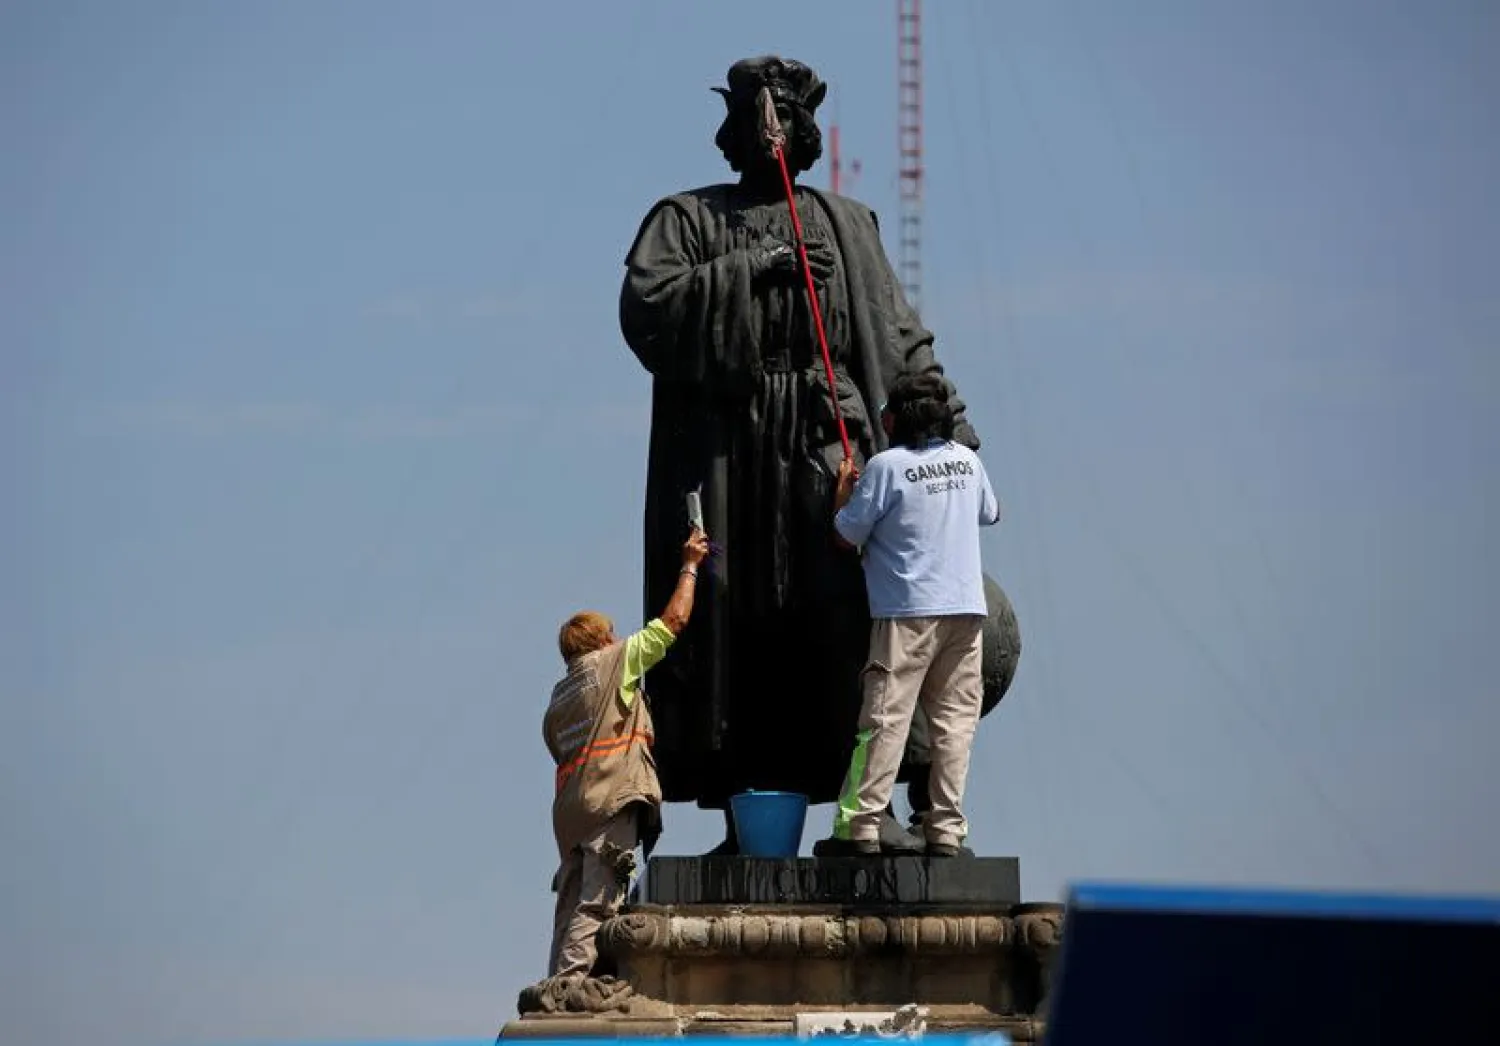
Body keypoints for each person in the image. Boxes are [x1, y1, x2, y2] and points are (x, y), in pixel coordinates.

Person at [619, 54, 987, 853]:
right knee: (738, 623)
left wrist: (946, 431)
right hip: (730, 452)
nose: (769, 130)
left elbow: (897, 334)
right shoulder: (685, 218)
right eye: (755, 115)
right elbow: (648, 308)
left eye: (781, 114)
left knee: (847, 620)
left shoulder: (849, 224)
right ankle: (742, 818)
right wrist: (755, 266)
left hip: (831, 446)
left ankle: (872, 808)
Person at [826, 373, 1002, 856]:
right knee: (955, 723)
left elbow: (846, 535)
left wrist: (844, 492)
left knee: (885, 718)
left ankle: (861, 826)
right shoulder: (967, 462)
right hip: (966, 611)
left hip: (907, 612)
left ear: (896, 419)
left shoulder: (885, 467)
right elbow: (991, 512)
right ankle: (946, 829)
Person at [542, 527, 710, 982]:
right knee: (598, 899)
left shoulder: (559, 697)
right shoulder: (613, 662)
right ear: (598, 642)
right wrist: (689, 566)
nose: (616, 638)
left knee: (572, 902)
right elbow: (672, 623)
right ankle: (572, 987)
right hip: (611, 798)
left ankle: (558, 980)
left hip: (571, 813)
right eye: (610, 633)